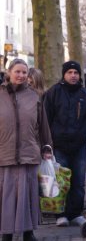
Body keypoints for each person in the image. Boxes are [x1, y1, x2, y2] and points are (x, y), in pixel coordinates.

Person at [0, 59, 52, 241]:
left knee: (28, 196)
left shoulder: (34, 96)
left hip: (29, 154)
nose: (21, 75)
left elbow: (43, 124)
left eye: (24, 72)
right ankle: (6, 233)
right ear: (9, 72)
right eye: (18, 71)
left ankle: (28, 233)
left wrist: (46, 146)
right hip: (4, 155)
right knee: (6, 198)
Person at [44, 61, 86, 227]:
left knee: (79, 182)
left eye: (76, 72)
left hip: (79, 146)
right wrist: (48, 142)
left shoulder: (85, 94)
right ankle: (61, 214)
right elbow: (46, 118)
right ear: (64, 74)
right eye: (70, 72)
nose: (73, 75)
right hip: (59, 146)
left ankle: (75, 213)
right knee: (60, 181)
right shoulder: (53, 92)